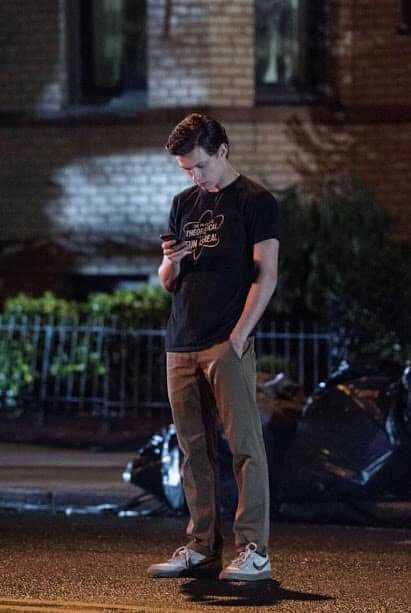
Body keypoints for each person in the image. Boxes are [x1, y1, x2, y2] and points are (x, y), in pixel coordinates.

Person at [147, 113, 279, 581]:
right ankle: (202, 546)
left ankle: (254, 550)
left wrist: (240, 336)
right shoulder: (184, 203)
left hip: (227, 341)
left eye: (200, 166)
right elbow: (168, 282)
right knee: (193, 449)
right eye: (187, 170)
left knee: (245, 448)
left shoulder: (255, 201)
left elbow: (266, 275)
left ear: (222, 151)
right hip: (181, 341)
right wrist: (170, 263)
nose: (194, 177)